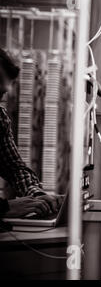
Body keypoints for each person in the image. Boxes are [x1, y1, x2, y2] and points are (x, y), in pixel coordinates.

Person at [0, 48, 61, 222]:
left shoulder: (0, 118)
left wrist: (36, 194)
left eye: (2, 94)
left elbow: (14, 167)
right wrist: (5, 207)